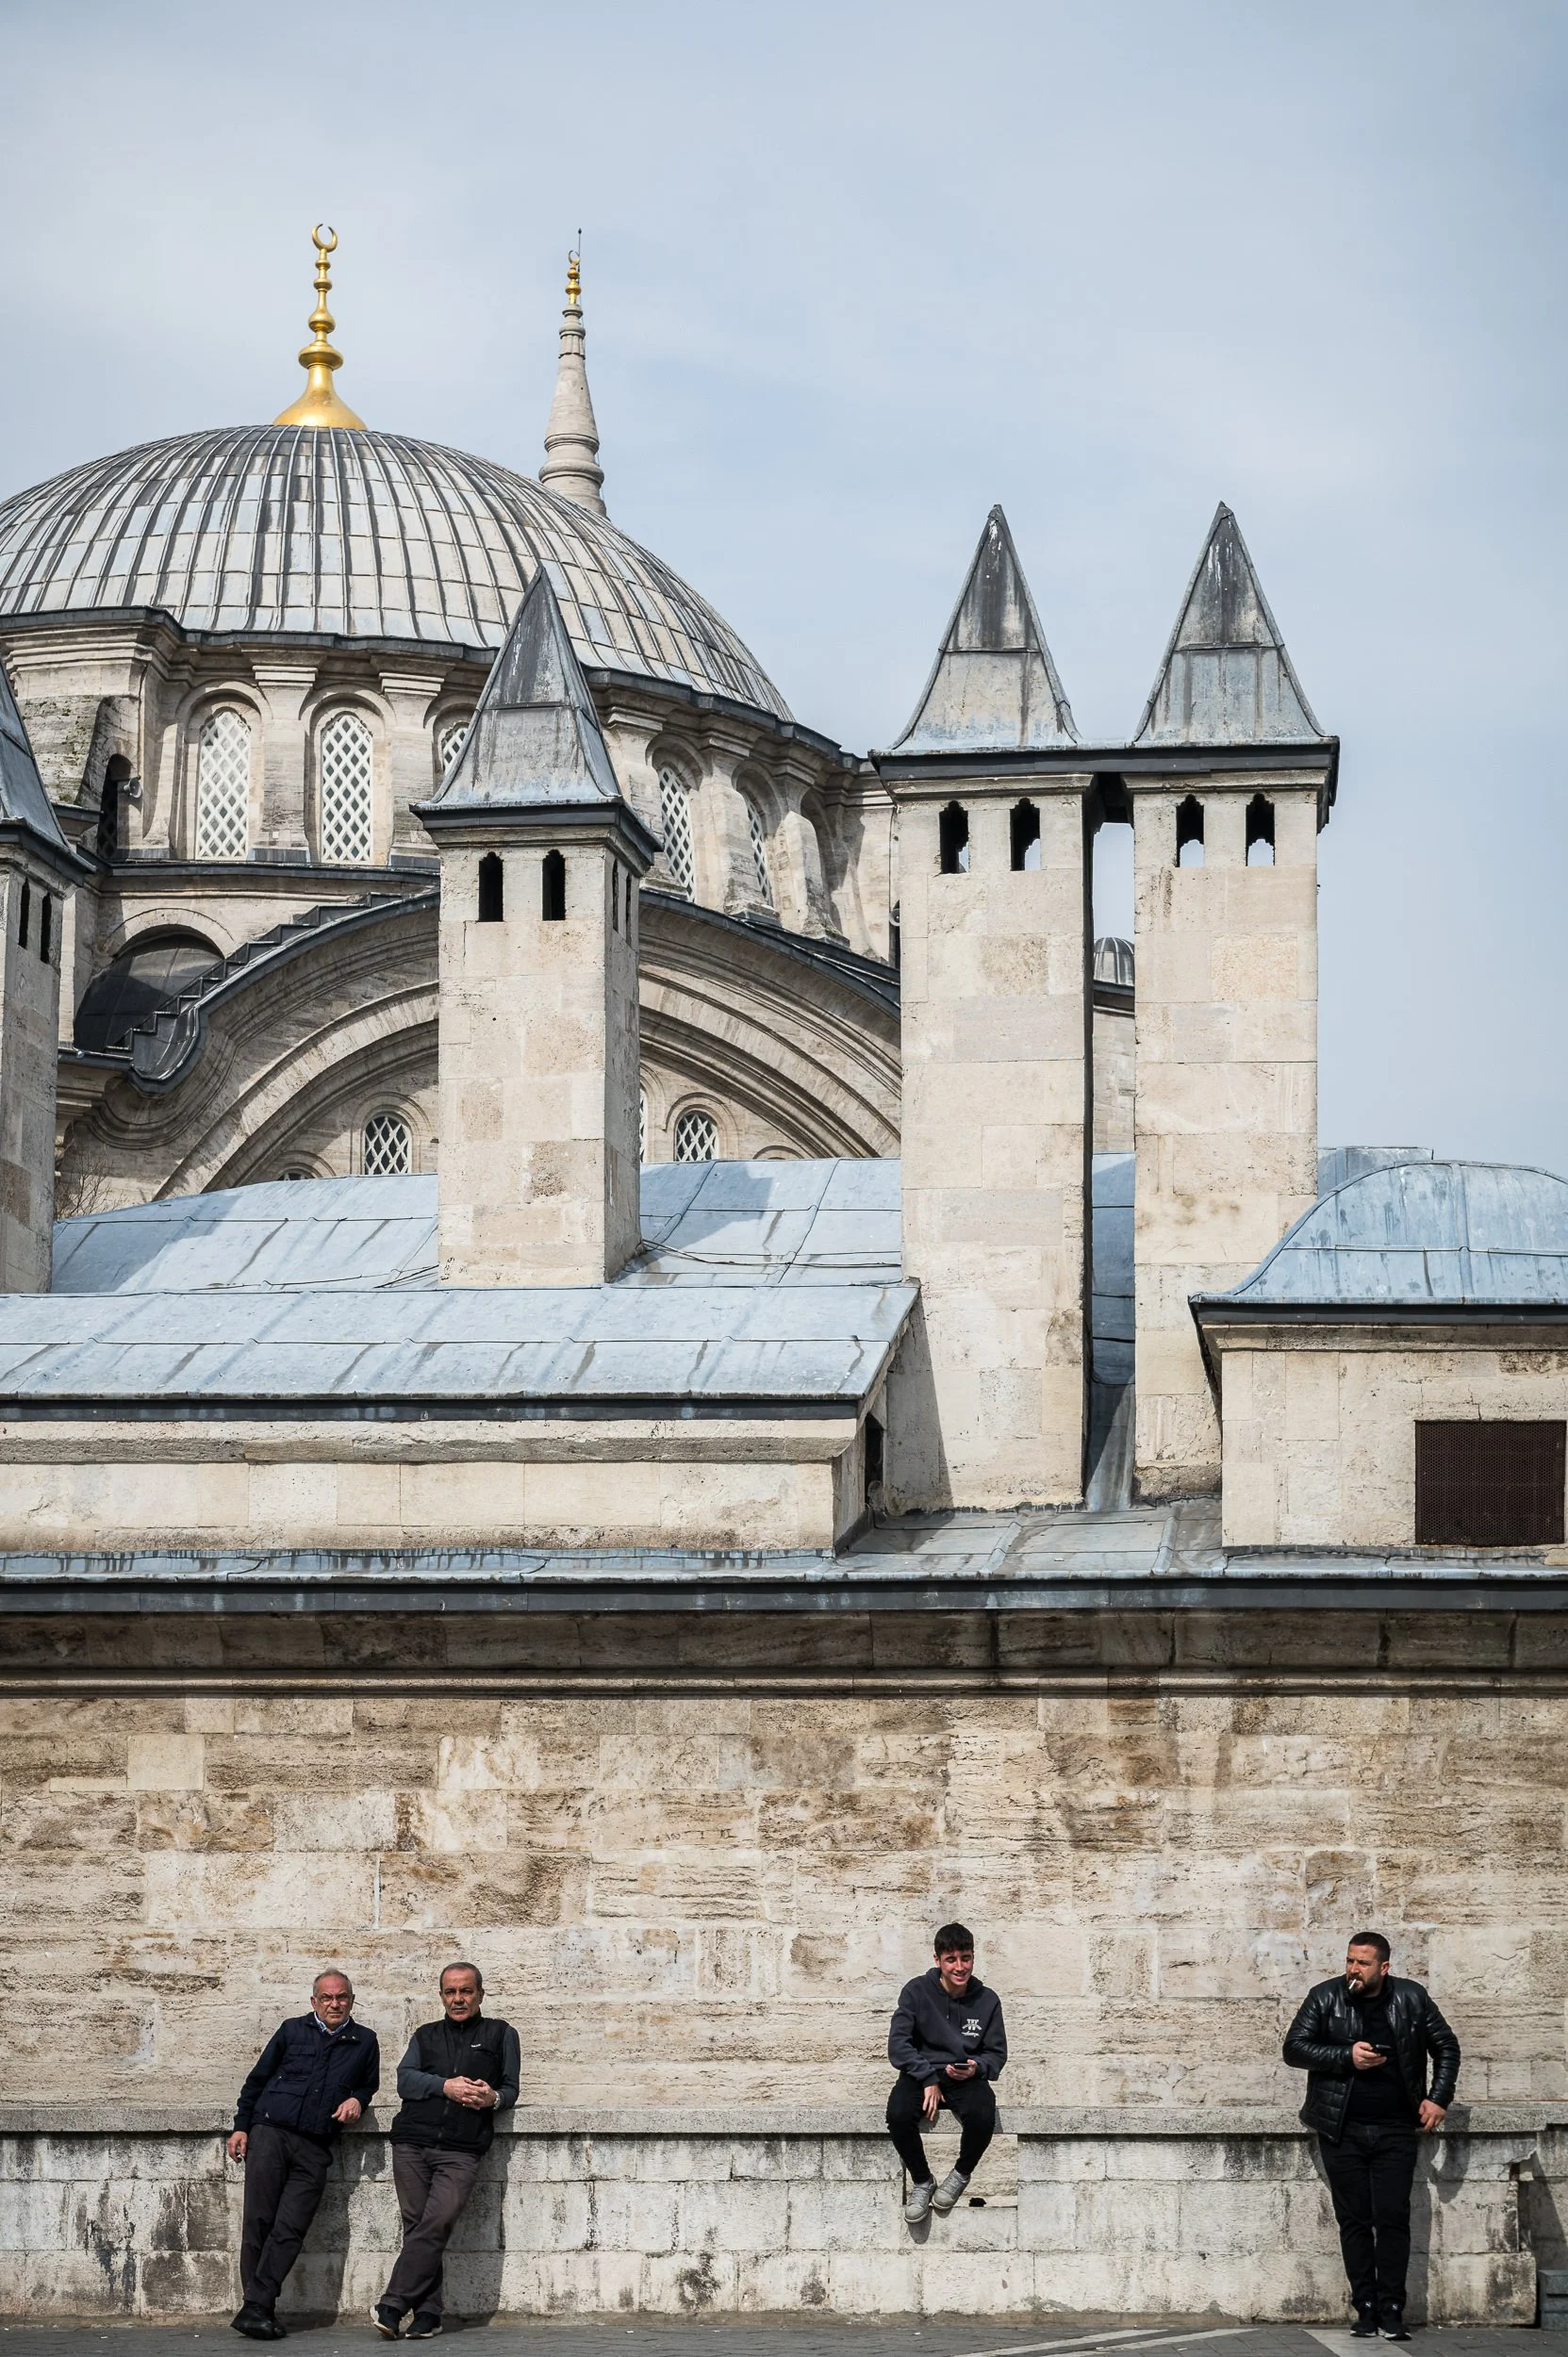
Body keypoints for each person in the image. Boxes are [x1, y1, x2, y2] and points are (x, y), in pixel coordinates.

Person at [1284, 1930, 1461, 2342]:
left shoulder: (1412, 1998)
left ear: (1384, 1967)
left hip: (1396, 2128)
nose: (1353, 1970)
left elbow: (1446, 2047)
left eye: (1362, 1963)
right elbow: (1294, 2048)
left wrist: (1438, 2099)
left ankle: (1393, 2309)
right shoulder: (1325, 1996)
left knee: (1393, 2219)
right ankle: (1364, 2308)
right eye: (1349, 1961)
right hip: (1340, 2129)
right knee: (1355, 2221)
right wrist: (1346, 2056)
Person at [226, 1970, 379, 2342]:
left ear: (351, 2000)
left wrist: (358, 2100)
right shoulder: (291, 2030)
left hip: (315, 2145)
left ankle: (254, 2308)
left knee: (291, 2226)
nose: (334, 2004)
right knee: (259, 2220)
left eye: (341, 1997)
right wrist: (241, 2126)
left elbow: (368, 2084)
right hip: (270, 2134)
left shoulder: (365, 2041)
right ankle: (259, 2308)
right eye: (326, 1998)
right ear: (314, 2001)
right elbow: (257, 2080)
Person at [373, 1961, 520, 2341]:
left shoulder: (501, 2034)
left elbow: (511, 2088)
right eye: (450, 1992)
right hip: (411, 2143)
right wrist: (445, 2087)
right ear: (441, 1996)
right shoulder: (425, 2035)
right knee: (418, 2228)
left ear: (480, 1994)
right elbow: (405, 2079)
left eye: (466, 1991)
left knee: (436, 2223)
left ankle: (392, 2304)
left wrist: (493, 2099)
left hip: (462, 2149)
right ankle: (428, 2314)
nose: (458, 1999)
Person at [885, 1920, 1007, 2225]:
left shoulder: (988, 1999)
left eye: (965, 1958)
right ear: (937, 1960)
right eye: (951, 1959)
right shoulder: (915, 1992)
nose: (959, 1966)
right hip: (920, 2072)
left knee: (983, 2113)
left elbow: (997, 2053)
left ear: (973, 1958)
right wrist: (927, 2078)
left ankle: (960, 2174)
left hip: (964, 2077)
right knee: (898, 2114)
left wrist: (978, 2067)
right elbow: (898, 2046)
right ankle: (923, 2180)